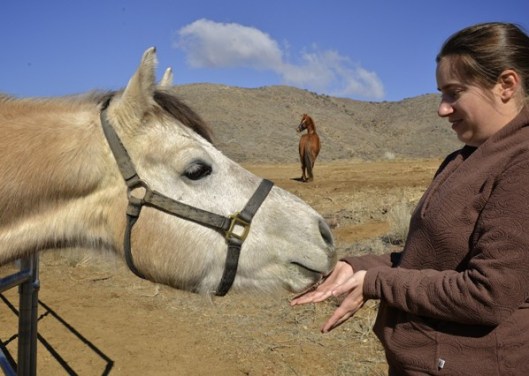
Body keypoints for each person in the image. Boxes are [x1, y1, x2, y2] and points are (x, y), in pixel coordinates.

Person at [291, 22, 529, 375]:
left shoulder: (521, 164)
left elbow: (488, 294)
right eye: (440, 94)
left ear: (506, 85)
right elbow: (431, 259)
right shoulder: (464, 158)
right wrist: (359, 266)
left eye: (454, 93)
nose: (442, 109)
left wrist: (377, 283)